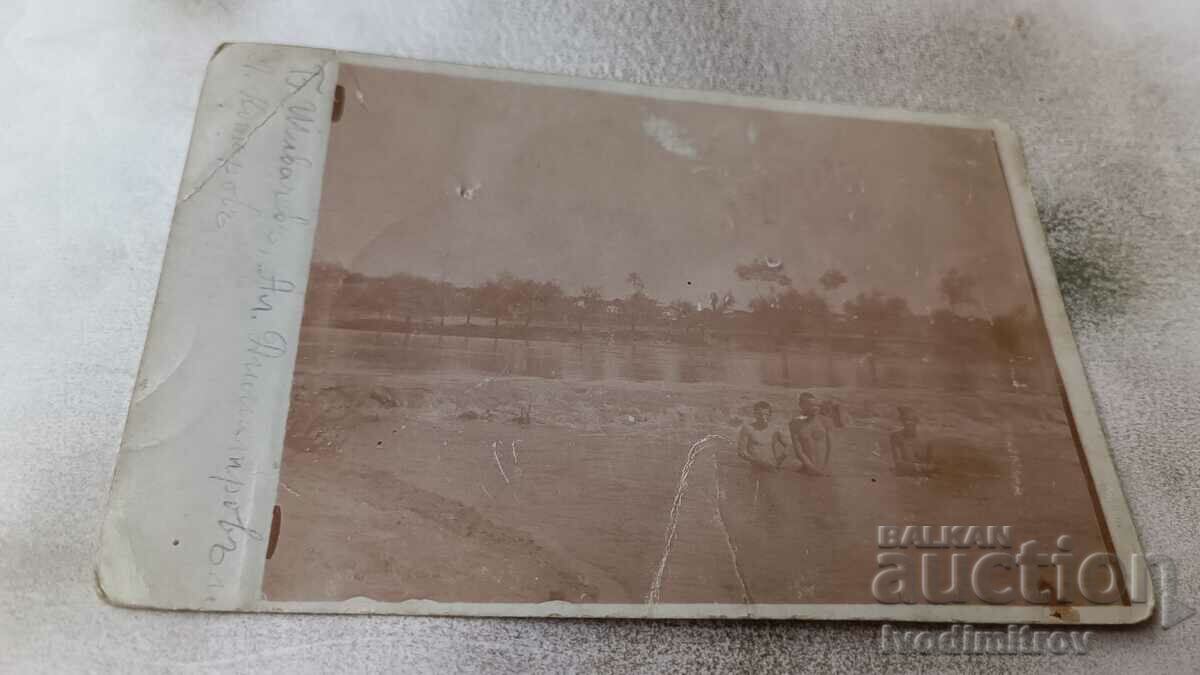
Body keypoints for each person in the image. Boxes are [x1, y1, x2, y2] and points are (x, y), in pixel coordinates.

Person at [787, 392, 834, 473]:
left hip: (823, 466)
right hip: (806, 465)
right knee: (795, 465)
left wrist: (826, 466)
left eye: (816, 405)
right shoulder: (794, 424)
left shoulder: (825, 421)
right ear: (801, 406)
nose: (815, 408)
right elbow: (799, 451)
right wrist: (813, 469)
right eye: (811, 405)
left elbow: (830, 447)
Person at [737, 401, 788, 470]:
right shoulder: (747, 429)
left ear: (770, 415)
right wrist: (760, 463)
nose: (764, 418)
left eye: (766, 415)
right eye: (760, 414)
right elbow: (741, 452)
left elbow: (788, 446)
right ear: (755, 414)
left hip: (772, 467)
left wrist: (780, 460)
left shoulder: (775, 429)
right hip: (755, 468)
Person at [890, 406, 935, 475]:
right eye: (905, 420)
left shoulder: (926, 438)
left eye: (911, 420)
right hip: (906, 473)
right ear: (902, 422)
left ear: (916, 421)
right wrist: (918, 467)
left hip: (923, 473)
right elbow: (898, 463)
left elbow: (931, 463)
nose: (908, 422)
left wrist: (927, 467)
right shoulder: (896, 437)